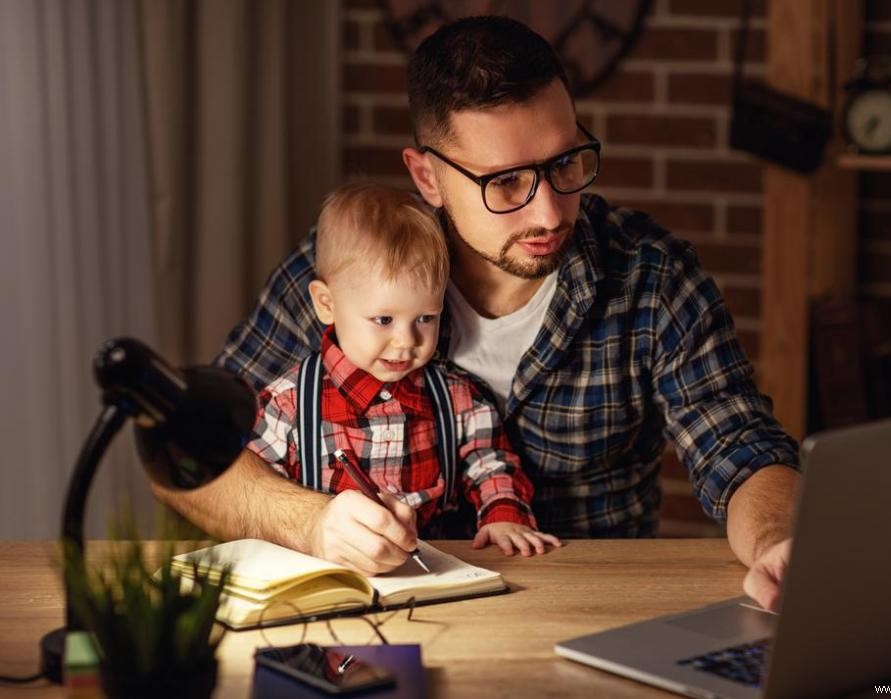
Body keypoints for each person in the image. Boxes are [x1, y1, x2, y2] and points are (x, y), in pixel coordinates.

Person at [152, 16, 800, 612]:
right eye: (507, 182)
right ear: (428, 178)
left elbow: (739, 447)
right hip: (372, 621)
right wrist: (311, 521)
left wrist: (777, 539)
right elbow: (188, 459)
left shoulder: (651, 280)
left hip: (590, 616)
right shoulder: (343, 280)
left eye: (566, 162)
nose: (549, 213)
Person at [246, 183, 560, 567]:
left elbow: (491, 461)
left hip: (438, 572)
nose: (406, 340)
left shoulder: (456, 398)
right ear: (327, 304)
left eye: (426, 318)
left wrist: (504, 514)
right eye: (383, 320)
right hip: (333, 576)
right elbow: (260, 493)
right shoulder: (289, 404)